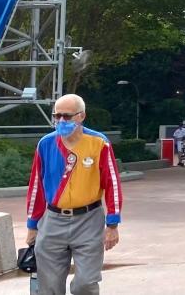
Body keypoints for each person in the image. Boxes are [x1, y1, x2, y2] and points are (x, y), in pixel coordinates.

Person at [25, 94, 122, 295]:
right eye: (57, 116)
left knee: (85, 284)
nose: (61, 121)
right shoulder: (46, 143)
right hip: (52, 221)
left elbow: (112, 183)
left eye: (67, 116)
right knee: (48, 287)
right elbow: (36, 186)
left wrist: (112, 224)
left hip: (89, 220)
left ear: (81, 116)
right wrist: (32, 225)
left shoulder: (99, 143)